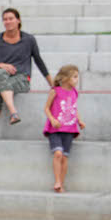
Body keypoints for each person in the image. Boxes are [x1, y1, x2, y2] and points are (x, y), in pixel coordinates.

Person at [0, 8, 52, 140]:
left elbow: (39, 61)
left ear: (18, 20)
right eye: (5, 19)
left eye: (11, 18)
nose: (8, 21)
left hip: (22, 79)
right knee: (0, 73)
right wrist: (2, 65)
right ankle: (13, 113)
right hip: (2, 77)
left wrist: (52, 84)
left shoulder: (29, 39)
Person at [43, 65, 85, 193]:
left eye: (77, 77)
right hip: (55, 129)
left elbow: (74, 108)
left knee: (65, 157)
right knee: (58, 154)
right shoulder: (55, 91)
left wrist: (79, 120)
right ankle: (57, 180)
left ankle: (61, 184)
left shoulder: (74, 92)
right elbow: (46, 108)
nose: (77, 80)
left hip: (70, 129)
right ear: (66, 78)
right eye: (75, 77)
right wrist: (52, 120)